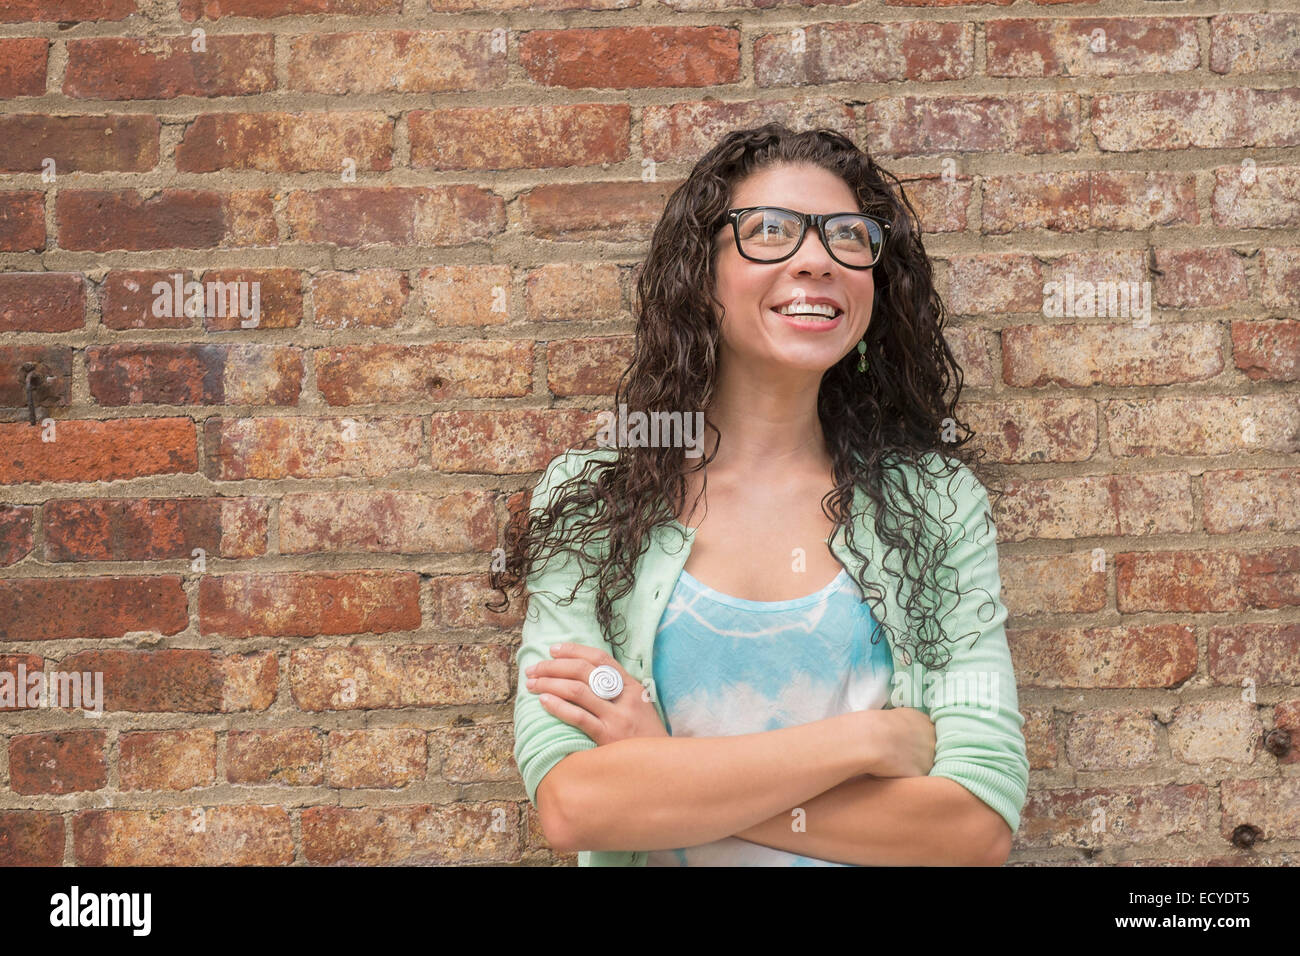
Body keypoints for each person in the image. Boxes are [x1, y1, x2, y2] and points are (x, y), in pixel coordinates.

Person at [490, 123, 1029, 866]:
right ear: (699, 276)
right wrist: (865, 739)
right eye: (769, 231)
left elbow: (973, 830)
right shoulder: (595, 497)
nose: (817, 260)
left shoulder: (936, 505)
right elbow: (579, 806)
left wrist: (665, 766)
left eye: (848, 237)